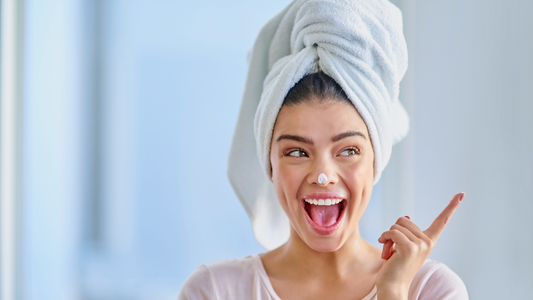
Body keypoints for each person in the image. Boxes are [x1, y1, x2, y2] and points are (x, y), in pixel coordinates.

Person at [179, 0, 468, 299]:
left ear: (376, 160)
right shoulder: (214, 290)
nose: (322, 175)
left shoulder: (431, 289)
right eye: (297, 152)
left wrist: (392, 291)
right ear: (270, 164)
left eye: (348, 151)